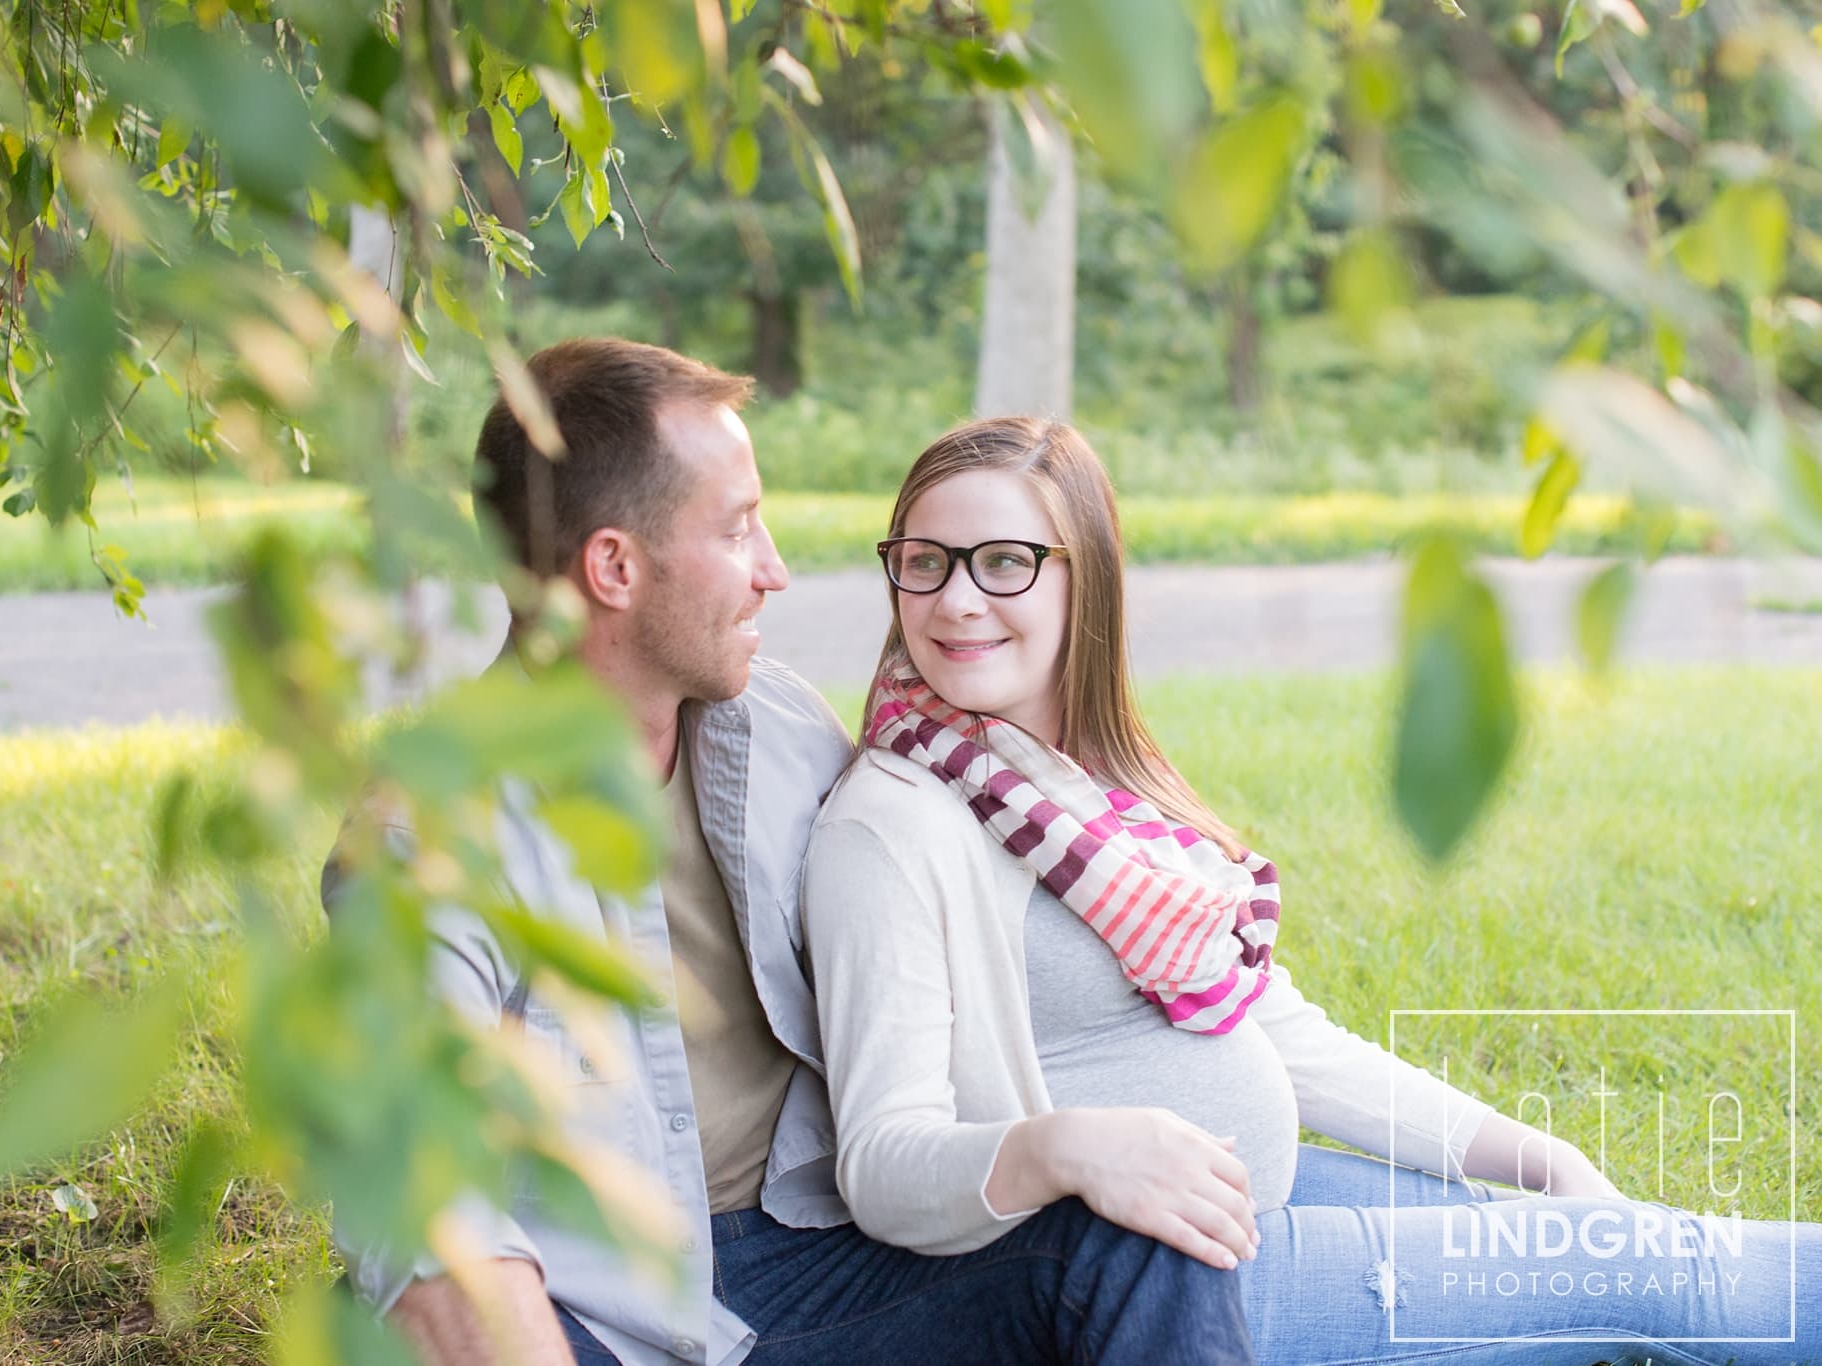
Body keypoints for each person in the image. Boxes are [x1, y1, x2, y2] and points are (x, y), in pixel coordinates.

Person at [801, 415, 1820, 1364]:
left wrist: (1538, 1158)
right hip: (1174, 1279)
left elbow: (1282, 1036)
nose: (955, 600)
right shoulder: (893, 825)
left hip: (1248, 1202)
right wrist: (1068, 1149)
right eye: (923, 562)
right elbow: (886, 1164)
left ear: (1088, 581)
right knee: (1648, 1272)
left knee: (1606, 1232)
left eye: (1004, 562)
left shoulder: (1069, 795)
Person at [320, 342, 1255, 1365]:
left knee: (1129, 1239)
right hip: (591, 1302)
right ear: (613, 568)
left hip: (815, 1252)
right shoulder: (426, 840)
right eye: (736, 528)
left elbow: (932, 916)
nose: (775, 569)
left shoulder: (776, 728)